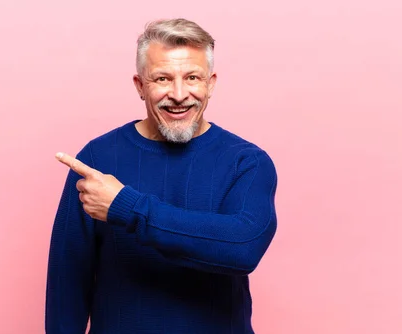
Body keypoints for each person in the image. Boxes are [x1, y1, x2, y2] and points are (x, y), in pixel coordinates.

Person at [45, 18, 278, 334]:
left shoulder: (247, 162)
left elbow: (242, 248)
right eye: (163, 78)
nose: (179, 94)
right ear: (140, 86)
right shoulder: (97, 160)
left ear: (211, 83)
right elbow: (67, 283)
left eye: (192, 77)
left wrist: (125, 208)